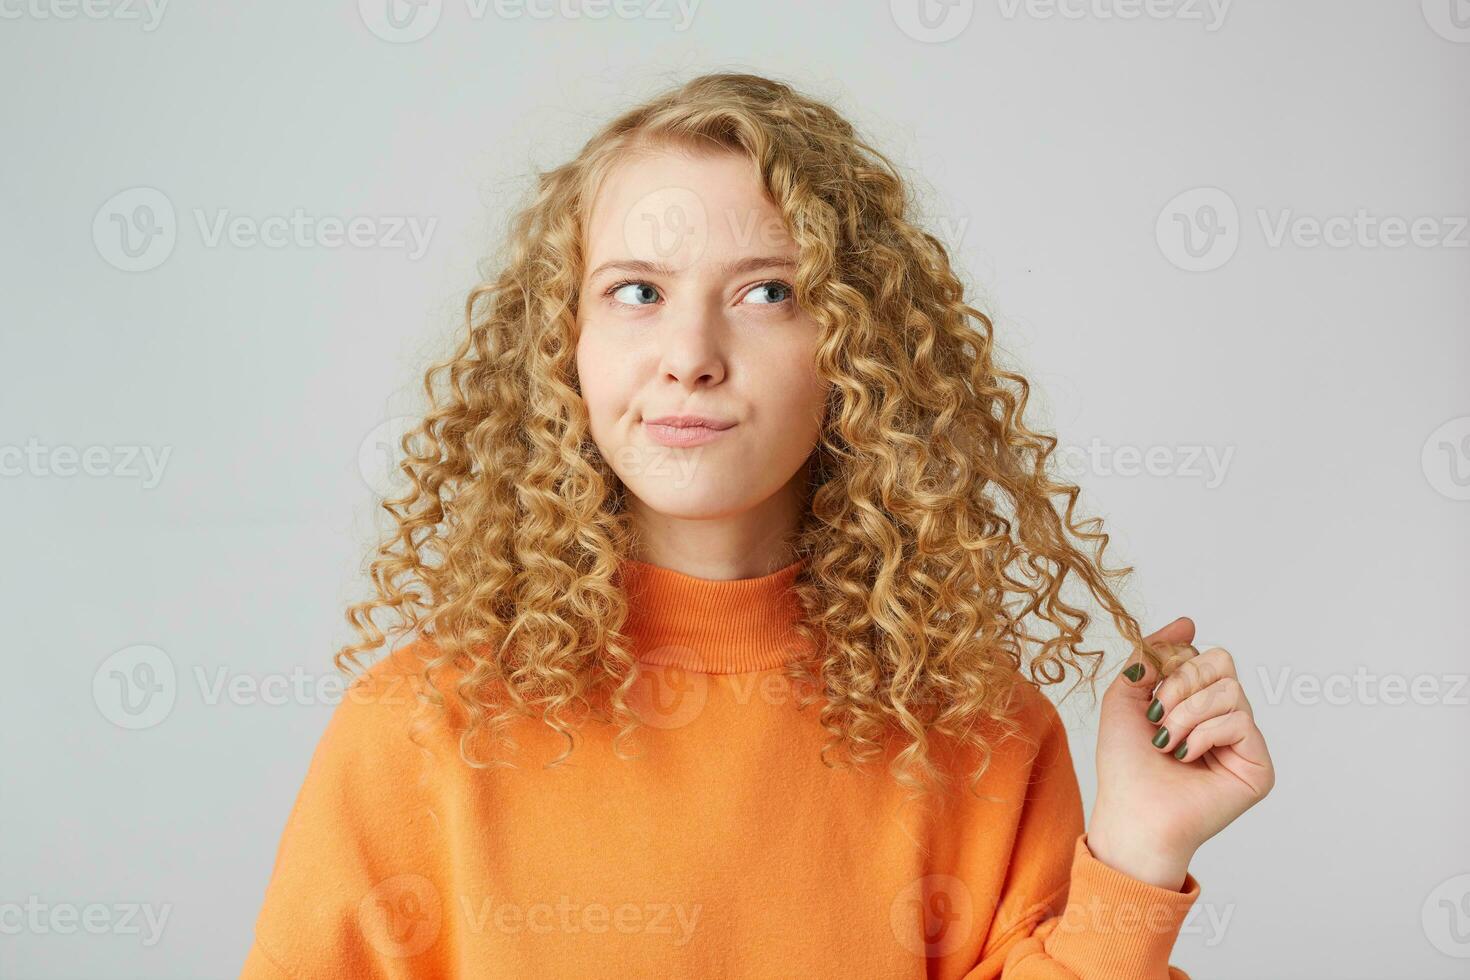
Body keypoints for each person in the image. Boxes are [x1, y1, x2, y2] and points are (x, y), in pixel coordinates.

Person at [240, 71, 1274, 979]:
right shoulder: (419, 724)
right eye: (636, 291)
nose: (690, 351)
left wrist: (1136, 853)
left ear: (857, 351)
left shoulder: (976, 729)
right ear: (565, 347)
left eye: (767, 291)